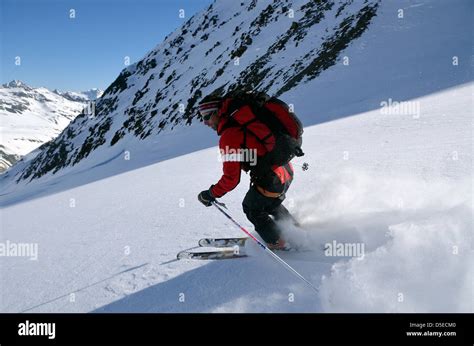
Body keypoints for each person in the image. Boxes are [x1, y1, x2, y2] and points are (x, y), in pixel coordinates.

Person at [196, 92, 299, 250]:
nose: (205, 122)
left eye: (206, 116)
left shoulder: (229, 136)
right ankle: (296, 231)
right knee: (270, 203)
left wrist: (211, 194)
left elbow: (231, 179)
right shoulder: (241, 123)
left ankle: (278, 243)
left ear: (217, 112)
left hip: (271, 177)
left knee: (252, 207)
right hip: (285, 170)